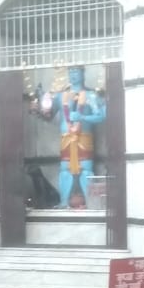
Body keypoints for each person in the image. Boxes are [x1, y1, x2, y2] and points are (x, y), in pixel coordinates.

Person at [54, 65, 106, 208]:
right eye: (70, 71)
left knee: (85, 169)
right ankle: (64, 202)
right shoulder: (60, 95)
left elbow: (101, 116)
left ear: (83, 73)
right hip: (66, 138)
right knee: (65, 169)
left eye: (76, 71)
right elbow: (48, 114)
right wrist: (40, 105)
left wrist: (82, 116)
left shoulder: (91, 95)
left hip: (83, 137)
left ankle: (90, 203)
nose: (73, 75)